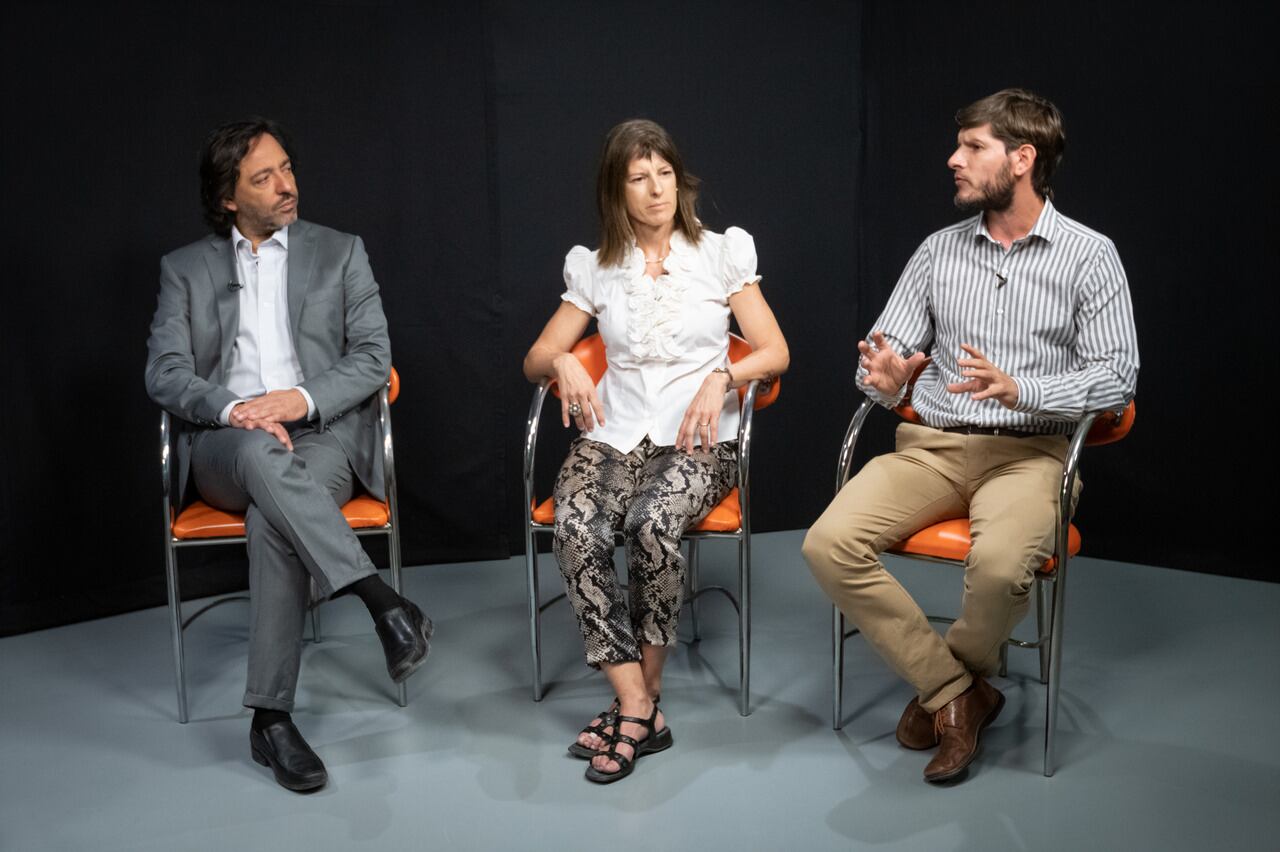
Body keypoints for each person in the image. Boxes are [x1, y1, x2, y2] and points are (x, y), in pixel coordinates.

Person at [803, 89, 1139, 784]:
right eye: (959, 146)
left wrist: (1026, 390)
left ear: (1023, 158)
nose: (953, 160)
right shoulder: (937, 253)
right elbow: (879, 370)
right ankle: (958, 693)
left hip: (1034, 453)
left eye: (973, 147)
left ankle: (947, 689)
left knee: (995, 569)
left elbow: (1118, 381)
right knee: (828, 544)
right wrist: (887, 377)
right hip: (934, 448)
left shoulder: (1089, 256)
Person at [145, 118, 432, 792]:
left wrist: (294, 401)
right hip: (227, 446)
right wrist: (235, 410)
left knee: (274, 517)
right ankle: (380, 598)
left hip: (322, 436)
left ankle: (270, 719)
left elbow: (371, 358)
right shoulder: (184, 270)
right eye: (263, 177)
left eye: (287, 168)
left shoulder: (340, 252)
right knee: (257, 457)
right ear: (227, 196)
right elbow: (164, 371)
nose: (286, 185)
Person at [523, 119, 789, 784]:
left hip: (701, 439)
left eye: (664, 173)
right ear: (618, 190)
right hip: (613, 434)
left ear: (679, 179)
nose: (655, 189)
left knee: (652, 523)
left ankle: (638, 703)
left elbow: (775, 350)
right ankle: (640, 705)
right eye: (639, 178)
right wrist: (563, 360)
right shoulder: (598, 267)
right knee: (575, 526)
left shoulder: (720, 254)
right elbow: (533, 359)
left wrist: (723, 375)